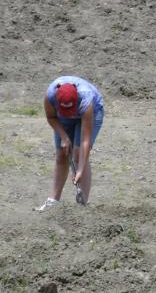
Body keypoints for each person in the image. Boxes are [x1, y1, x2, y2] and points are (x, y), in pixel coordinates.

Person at [35, 76, 104, 212]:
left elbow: (85, 140)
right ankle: (53, 201)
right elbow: (51, 117)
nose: (69, 114)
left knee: (78, 155)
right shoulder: (50, 96)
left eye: (70, 110)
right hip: (62, 117)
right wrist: (64, 137)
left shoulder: (86, 99)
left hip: (92, 112)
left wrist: (80, 170)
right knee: (61, 154)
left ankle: (82, 205)